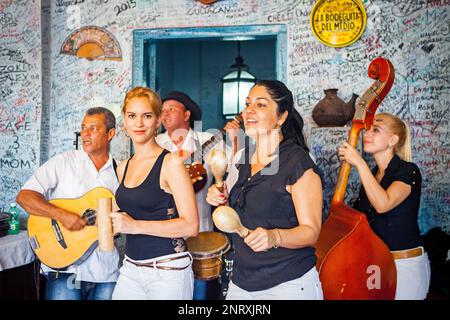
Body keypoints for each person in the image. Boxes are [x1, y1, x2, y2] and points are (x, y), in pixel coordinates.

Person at [206, 80, 324, 300]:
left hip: (288, 283)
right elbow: (235, 212)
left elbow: (312, 231)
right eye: (247, 104)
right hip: (242, 281)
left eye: (260, 105)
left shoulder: (298, 162)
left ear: (281, 117)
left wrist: (275, 236)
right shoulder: (243, 157)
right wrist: (219, 198)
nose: (248, 110)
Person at [16, 107, 119, 300]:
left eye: (93, 129)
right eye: (83, 128)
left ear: (111, 134)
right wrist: (62, 215)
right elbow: (24, 197)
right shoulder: (63, 162)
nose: (85, 134)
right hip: (64, 270)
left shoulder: (120, 172)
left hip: (106, 272)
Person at [110, 87, 198, 300]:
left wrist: (135, 226)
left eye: (147, 116)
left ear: (158, 120)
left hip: (168, 271)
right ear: (124, 121)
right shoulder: (123, 167)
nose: (138, 124)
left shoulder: (172, 163)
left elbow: (191, 226)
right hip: (130, 268)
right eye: (132, 116)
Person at [338, 112, 430, 300]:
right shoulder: (372, 175)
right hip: (376, 265)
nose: (367, 134)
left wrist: (358, 162)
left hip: (405, 265)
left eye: (376, 130)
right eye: (368, 129)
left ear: (392, 140)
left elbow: (383, 204)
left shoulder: (408, 170)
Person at [156, 91, 227, 233]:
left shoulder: (208, 140)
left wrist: (235, 141)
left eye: (171, 109)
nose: (165, 114)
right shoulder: (155, 143)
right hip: (164, 231)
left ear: (187, 115)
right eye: (162, 111)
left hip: (202, 229)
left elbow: (234, 166)